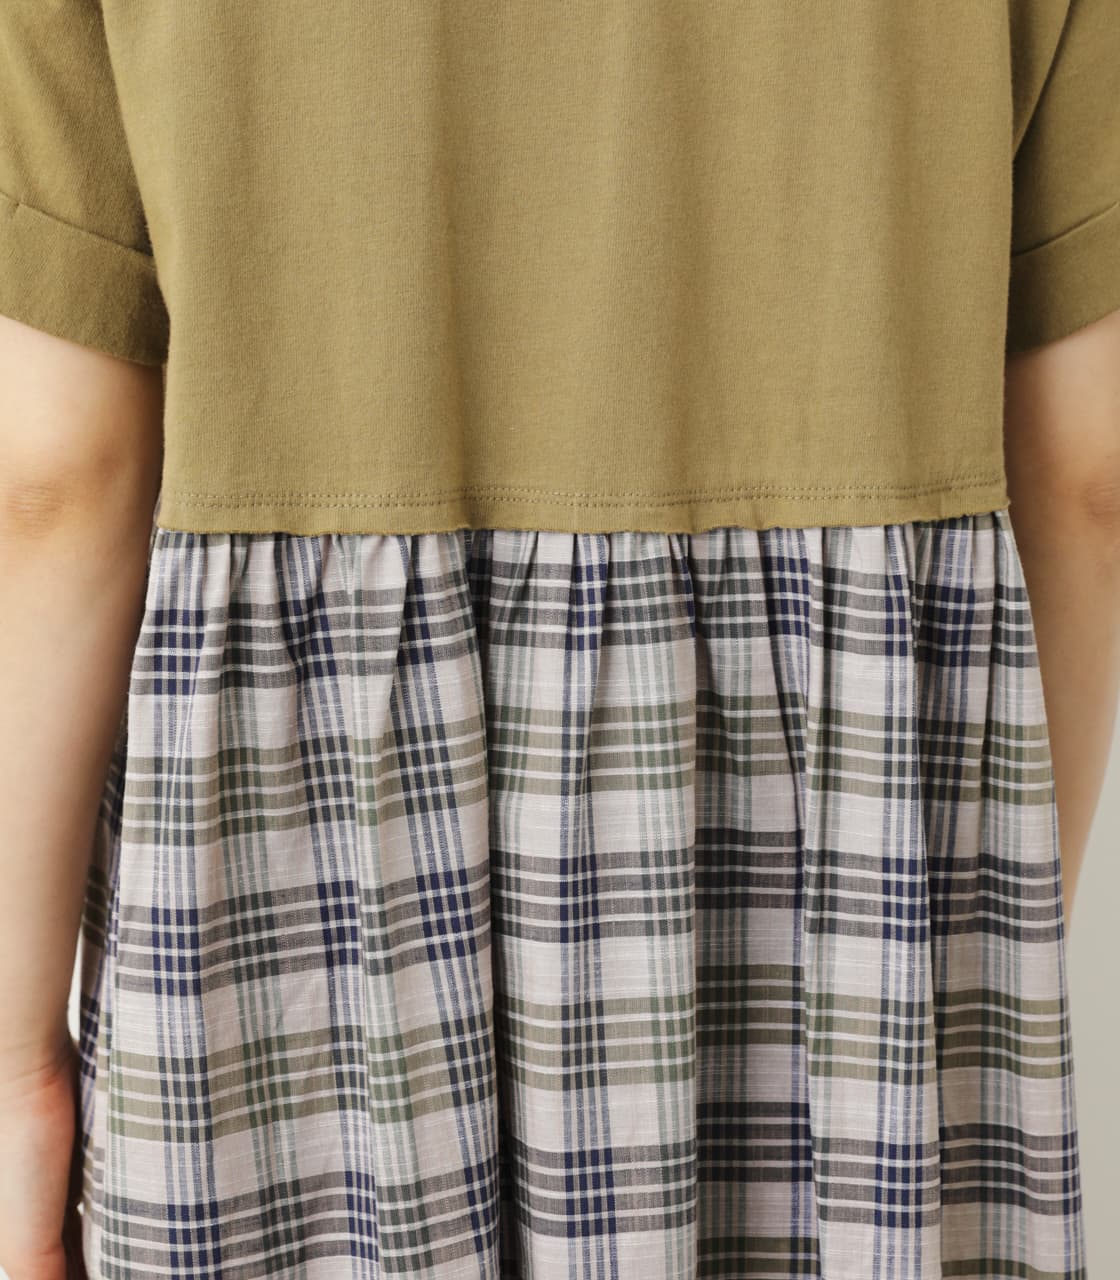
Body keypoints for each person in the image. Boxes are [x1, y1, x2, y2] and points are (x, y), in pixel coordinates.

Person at [0, 3, 1117, 1278]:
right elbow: (1087, 474)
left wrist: (18, 1068)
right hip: (839, 914)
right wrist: (953, 938)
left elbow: (58, 480)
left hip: (303, 928)